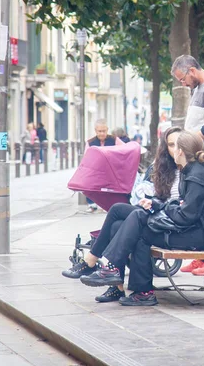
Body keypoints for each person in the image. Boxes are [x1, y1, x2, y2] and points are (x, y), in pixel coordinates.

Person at [79, 131, 204, 306]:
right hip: (193, 230)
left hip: (199, 236)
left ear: (180, 152)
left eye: (176, 147)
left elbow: (185, 217)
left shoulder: (197, 177)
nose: (172, 150)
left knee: (139, 222)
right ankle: (138, 289)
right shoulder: (193, 171)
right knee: (129, 223)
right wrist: (159, 205)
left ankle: (117, 273)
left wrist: (163, 207)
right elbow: (184, 208)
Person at [64, 127, 183, 303]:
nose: (175, 149)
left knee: (118, 212)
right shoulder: (166, 167)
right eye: (171, 145)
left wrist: (156, 205)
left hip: (165, 220)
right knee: (117, 220)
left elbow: (182, 204)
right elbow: (162, 197)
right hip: (159, 214)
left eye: (179, 144)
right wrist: (151, 201)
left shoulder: (189, 169)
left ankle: (95, 264)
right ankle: (116, 285)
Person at [84, 119, 124, 212]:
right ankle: (92, 205)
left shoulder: (114, 139)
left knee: (110, 188)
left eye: (104, 131)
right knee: (91, 184)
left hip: (111, 169)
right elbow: (87, 157)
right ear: (95, 131)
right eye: (99, 131)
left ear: (107, 130)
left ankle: (108, 205)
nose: (102, 133)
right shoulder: (90, 142)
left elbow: (124, 150)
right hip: (96, 169)